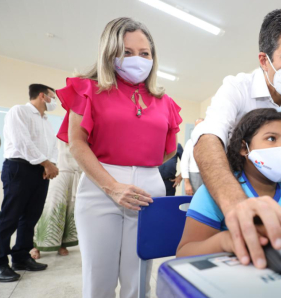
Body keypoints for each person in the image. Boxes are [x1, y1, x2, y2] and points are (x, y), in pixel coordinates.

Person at [189, 6, 281, 269]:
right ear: (264, 60)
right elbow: (208, 137)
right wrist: (238, 207)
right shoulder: (237, 87)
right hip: (227, 184)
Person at [57, 17, 182, 298]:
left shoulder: (165, 102)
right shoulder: (88, 89)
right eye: (126, 52)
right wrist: (114, 184)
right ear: (110, 52)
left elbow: (169, 150)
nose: (137, 59)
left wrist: (140, 167)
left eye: (144, 53)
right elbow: (77, 143)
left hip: (149, 190)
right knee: (99, 278)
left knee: (138, 279)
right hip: (101, 187)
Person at [177, 109, 281, 257]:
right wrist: (224, 241)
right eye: (272, 138)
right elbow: (184, 253)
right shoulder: (213, 193)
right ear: (243, 148)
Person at [0, 84, 60, 282]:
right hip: (20, 168)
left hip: (40, 170)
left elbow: (52, 146)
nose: (56, 101)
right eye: (54, 96)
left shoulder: (46, 121)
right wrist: (46, 163)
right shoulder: (19, 111)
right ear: (43, 96)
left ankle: (21, 257)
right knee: (10, 216)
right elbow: (22, 142)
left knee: (30, 217)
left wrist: (50, 164)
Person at [30, 139, 82, 259]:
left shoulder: (84, 139)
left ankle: (62, 244)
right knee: (51, 209)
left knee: (69, 211)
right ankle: (35, 245)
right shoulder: (56, 138)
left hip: (76, 177)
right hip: (58, 175)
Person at [181, 118, 205, 195]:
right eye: (196, 126)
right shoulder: (190, 143)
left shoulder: (210, 142)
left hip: (207, 176)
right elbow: (184, 162)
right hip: (194, 176)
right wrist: (187, 183)